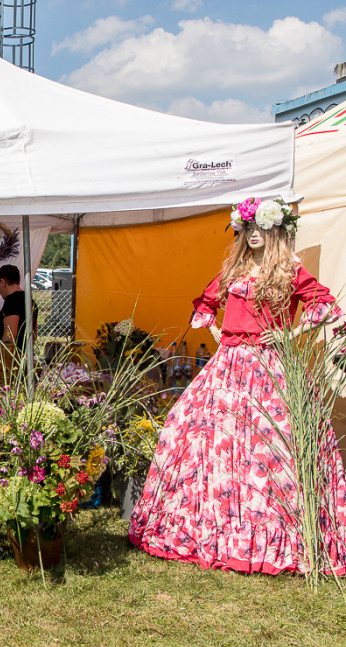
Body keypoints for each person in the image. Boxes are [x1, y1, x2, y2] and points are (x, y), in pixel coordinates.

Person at [128, 196, 346, 575]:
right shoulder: (234, 269)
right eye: (248, 228)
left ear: (275, 230)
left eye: (261, 228)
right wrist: (216, 331)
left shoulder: (289, 270)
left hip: (269, 366)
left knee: (268, 449)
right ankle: (211, 527)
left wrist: (290, 335)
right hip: (227, 365)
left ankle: (271, 533)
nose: (254, 234)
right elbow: (204, 305)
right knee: (197, 433)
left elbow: (324, 306)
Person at [0, 264, 37, 354]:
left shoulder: (12, 300)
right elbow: (34, 334)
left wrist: (2, 357)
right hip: (25, 355)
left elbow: (10, 335)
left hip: (12, 357)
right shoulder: (30, 301)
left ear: (2, 282)